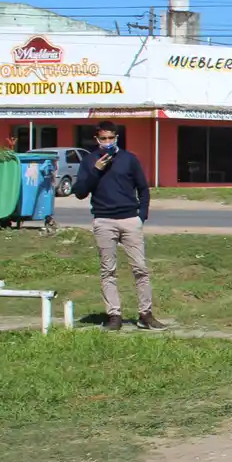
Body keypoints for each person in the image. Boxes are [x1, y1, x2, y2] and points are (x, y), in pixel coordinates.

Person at [72, 121, 163, 332]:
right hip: (104, 221)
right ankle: (114, 316)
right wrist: (96, 171)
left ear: (117, 138)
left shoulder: (129, 159)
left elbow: (143, 188)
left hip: (130, 219)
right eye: (103, 139)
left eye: (110, 138)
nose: (107, 142)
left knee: (140, 268)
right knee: (108, 270)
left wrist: (141, 215)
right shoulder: (89, 160)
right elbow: (79, 192)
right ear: (96, 139)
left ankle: (145, 315)